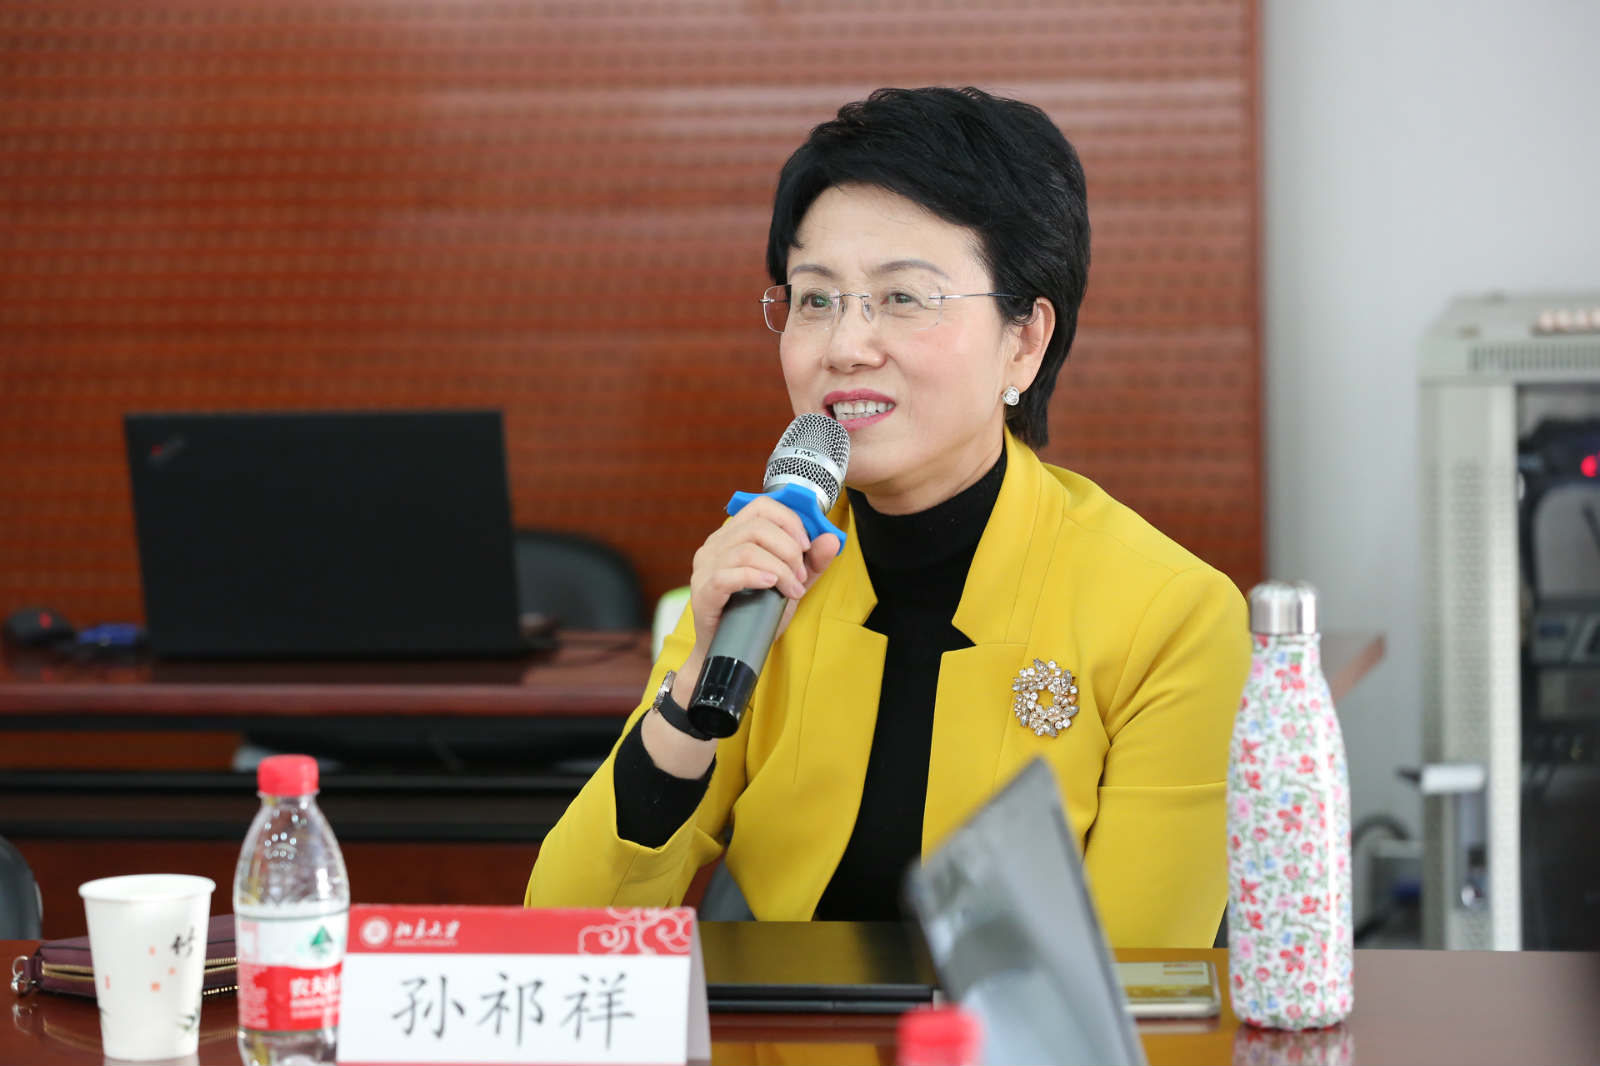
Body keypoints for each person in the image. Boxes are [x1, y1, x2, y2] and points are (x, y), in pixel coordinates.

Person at [525, 86, 1249, 947]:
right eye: (815, 300)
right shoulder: (761, 575)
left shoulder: (1173, 616)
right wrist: (688, 699)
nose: (845, 346)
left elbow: (1143, 983)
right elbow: (565, 933)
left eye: (904, 298)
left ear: (1024, 340)